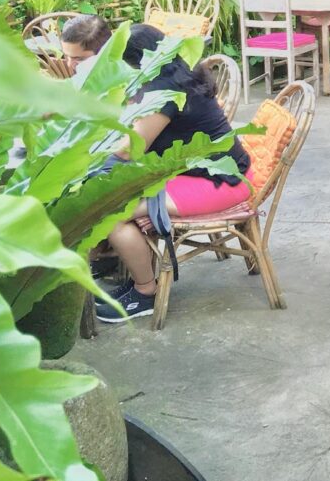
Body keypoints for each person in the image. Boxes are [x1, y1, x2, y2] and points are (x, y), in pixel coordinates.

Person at [97, 24, 252, 322]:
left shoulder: (163, 92)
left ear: (136, 63)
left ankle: (145, 293)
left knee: (109, 212)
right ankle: (126, 270)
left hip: (218, 180)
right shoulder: (176, 73)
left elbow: (129, 149)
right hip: (200, 171)